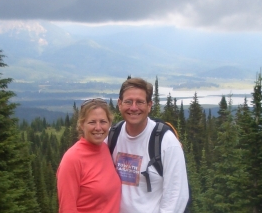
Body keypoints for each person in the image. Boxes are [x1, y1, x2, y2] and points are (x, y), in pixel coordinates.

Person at [112, 77, 189, 213]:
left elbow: (176, 197)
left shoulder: (166, 142)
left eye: (140, 102)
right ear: (119, 104)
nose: (134, 107)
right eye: (128, 101)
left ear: (149, 105)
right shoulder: (112, 136)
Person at [57, 98, 121, 213]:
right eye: (92, 122)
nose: (98, 127)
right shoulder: (72, 159)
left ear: (109, 124)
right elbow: (67, 209)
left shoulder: (105, 148)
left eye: (103, 122)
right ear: (82, 124)